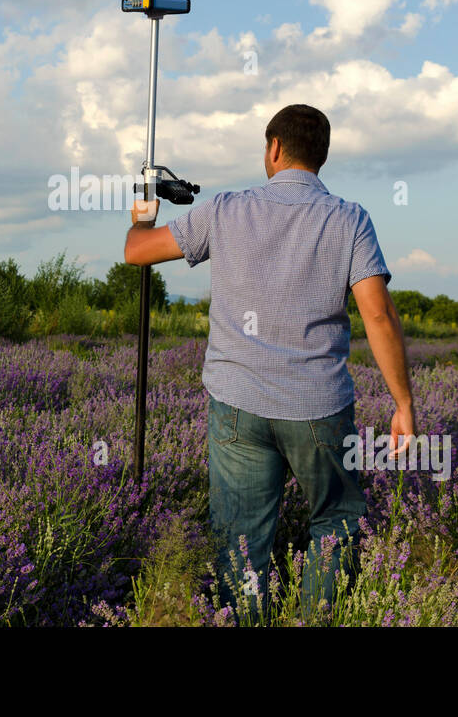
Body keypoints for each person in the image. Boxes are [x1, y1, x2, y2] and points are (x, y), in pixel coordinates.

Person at [123, 103, 416, 623]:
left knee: (240, 536)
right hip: (318, 407)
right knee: (336, 521)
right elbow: (378, 314)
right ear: (321, 156)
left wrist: (141, 219)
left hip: (238, 405)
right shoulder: (350, 219)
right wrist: (403, 404)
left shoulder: (225, 209)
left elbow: (138, 253)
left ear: (274, 148)